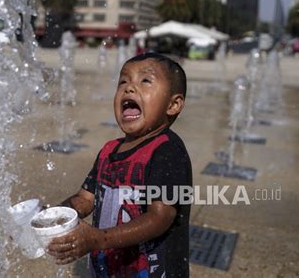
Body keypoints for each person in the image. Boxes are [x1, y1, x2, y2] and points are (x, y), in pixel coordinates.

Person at [47, 52, 192, 277]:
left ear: (173, 104)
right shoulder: (108, 151)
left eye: (145, 81)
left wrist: (99, 238)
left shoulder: (168, 151)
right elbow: (85, 199)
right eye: (123, 81)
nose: (129, 88)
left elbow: (160, 217)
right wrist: (51, 217)